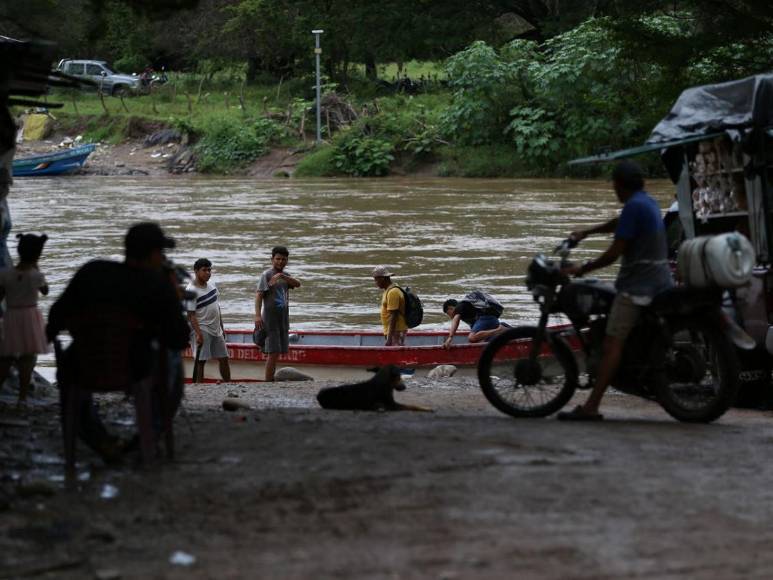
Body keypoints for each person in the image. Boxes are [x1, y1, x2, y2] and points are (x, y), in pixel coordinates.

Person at [47, 222, 190, 461]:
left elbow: (54, 321)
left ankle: (99, 440)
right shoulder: (157, 285)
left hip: (81, 368)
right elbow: (178, 339)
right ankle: (149, 435)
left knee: (71, 366)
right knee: (173, 358)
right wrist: (173, 297)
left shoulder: (91, 272)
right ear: (155, 254)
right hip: (135, 369)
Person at [558, 161, 674, 421]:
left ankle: (591, 406)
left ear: (618, 186)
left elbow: (613, 254)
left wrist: (581, 269)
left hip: (639, 286)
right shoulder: (647, 202)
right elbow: (619, 223)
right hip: (660, 280)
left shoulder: (634, 206)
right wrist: (587, 232)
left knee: (612, 344)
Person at [0, 234, 49, 405]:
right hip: (30, 317)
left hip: (12, 316)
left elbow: (1, 296)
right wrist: (36, 266)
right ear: (38, 254)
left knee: (6, 357)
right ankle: (22, 397)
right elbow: (45, 291)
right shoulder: (36, 276)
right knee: (27, 358)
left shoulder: (6, 274)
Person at [255, 246, 301, 382]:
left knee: (277, 352)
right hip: (270, 321)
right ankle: (268, 381)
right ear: (272, 259)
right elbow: (259, 296)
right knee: (273, 352)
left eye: (283, 259)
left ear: (287, 260)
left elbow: (298, 284)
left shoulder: (285, 277)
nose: (280, 262)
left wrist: (282, 276)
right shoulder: (266, 275)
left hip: (282, 320)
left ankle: (271, 379)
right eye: (278, 259)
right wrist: (257, 315)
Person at [186, 258, 230, 383]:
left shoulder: (212, 285)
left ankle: (228, 384)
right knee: (201, 361)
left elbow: (217, 307)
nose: (208, 273)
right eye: (204, 270)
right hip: (201, 327)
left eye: (209, 270)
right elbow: (191, 315)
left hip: (216, 328)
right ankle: (200, 387)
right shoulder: (191, 290)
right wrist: (198, 334)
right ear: (196, 271)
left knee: (224, 357)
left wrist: (222, 326)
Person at [442, 292, 508, 348]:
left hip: (486, 316)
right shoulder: (468, 313)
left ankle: (499, 330)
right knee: (480, 338)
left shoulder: (460, 306)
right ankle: (506, 329)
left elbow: (456, 320)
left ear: (451, 308)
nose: (450, 317)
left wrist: (450, 337)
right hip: (491, 319)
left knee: (472, 337)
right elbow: (476, 329)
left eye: (448, 313)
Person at [372, 266, 407, 346]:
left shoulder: (392, 292)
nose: (376, 283)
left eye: (376, 280)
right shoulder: (389, 290)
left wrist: (389, 339)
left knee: (396, 353)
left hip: (396, 331)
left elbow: (394, 316)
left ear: (382, 279)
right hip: (394, 331)